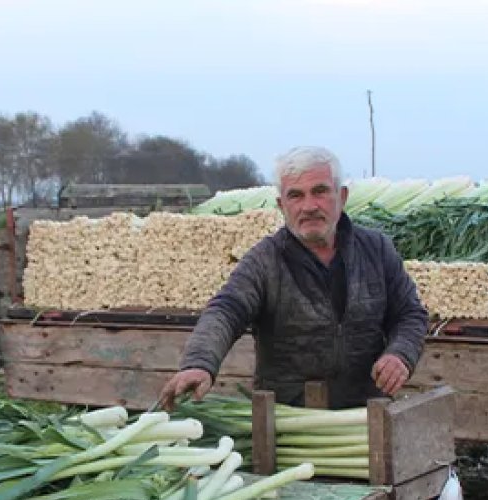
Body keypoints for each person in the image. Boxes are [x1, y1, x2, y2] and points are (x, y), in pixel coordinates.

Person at [159, 146, 429, 411]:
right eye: (296, 196)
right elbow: (227, 310)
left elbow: (409, 313)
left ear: (342, 196)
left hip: (365, 413)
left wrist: (400, 353)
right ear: (281, 205)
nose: (309, 206)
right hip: (286, 419)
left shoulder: (376, 250)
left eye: (320, 191)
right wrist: (199, 362)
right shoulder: (265, 260)